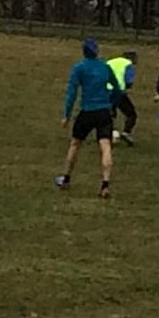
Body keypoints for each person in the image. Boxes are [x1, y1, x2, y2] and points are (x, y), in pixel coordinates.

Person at [54, 38, 123, 199]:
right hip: (103, 111)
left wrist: (67, 115)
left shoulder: (79, 68)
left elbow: (72, 93)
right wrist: (112, 103)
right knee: (105, 146)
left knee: (75, 143)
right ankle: (105, 183)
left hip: (87, 111)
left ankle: (66, 178)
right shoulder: (105, 67)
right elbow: (118, 89)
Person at [107, 50, 138, 145]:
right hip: (118, 91)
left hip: (105, 90)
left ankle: (108, 134)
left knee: (110, 114)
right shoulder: (128, 64)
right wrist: (127, 87)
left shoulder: (110, 62)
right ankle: (125, 132)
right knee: (131, 114)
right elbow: (128, 80)